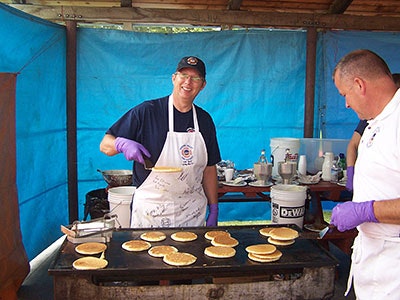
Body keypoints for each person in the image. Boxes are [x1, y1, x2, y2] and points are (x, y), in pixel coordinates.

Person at [100, 56, 221, 228]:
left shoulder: (204, 120)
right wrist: (121, 144)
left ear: (203, 85)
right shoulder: (147, 112)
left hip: (191, 213)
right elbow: (105, 144)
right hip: (151, 213)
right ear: (174, 78)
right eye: (183, 75)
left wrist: (214, 207)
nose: (188, 82)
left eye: (195, 78)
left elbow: (209, 168)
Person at [331, 49, 400, 299]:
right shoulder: (375, 122)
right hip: (369, 264)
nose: (346, 104)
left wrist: (365, 211)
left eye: (345, 94)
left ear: (359, 84)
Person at [345, 73, 400, 191]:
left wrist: (369, 209)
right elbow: (353, 145)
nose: (347, 104)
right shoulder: (369, 118)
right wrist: (351, 171)